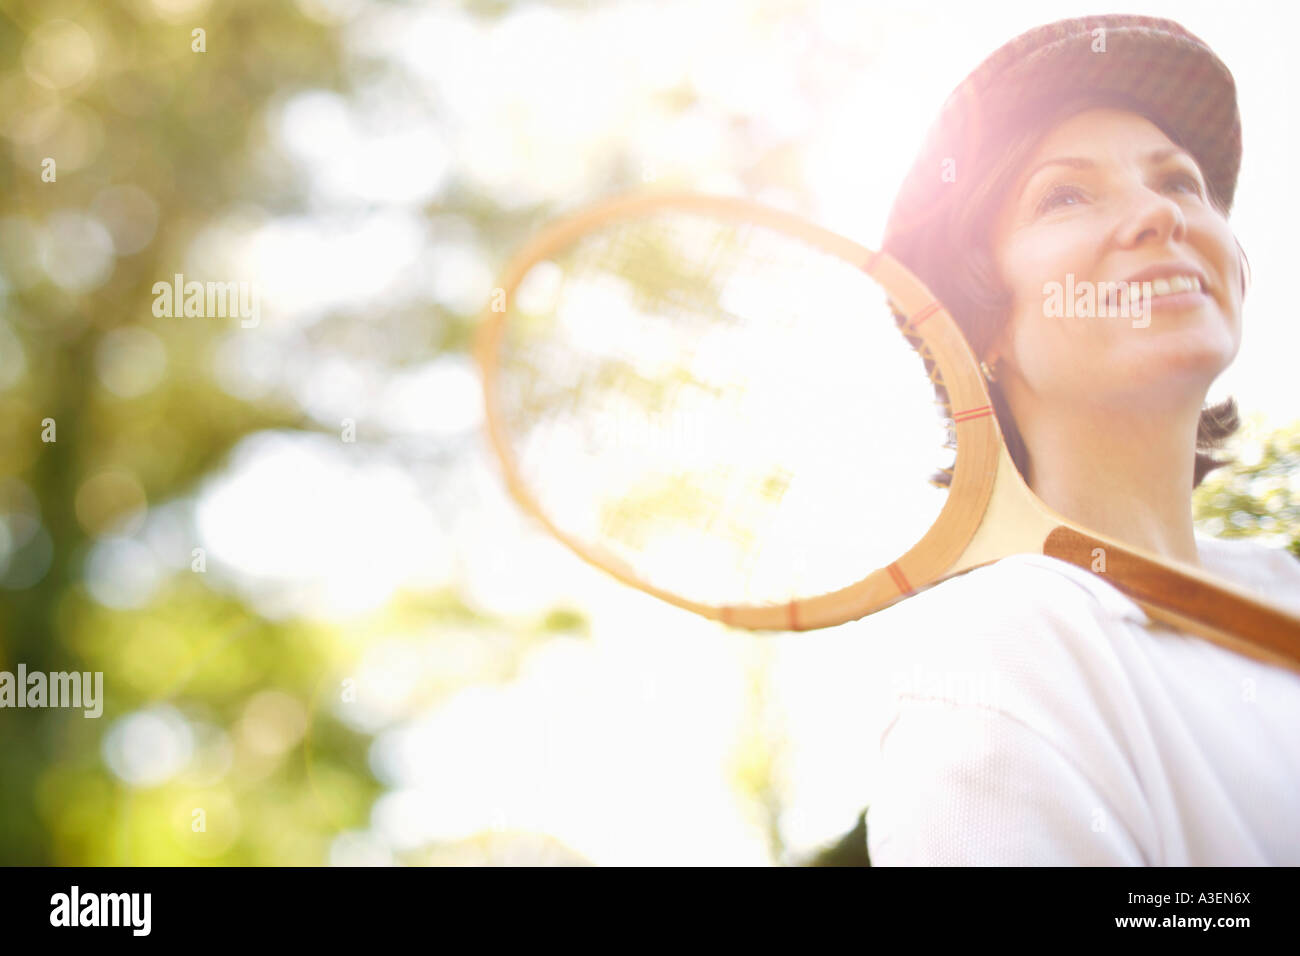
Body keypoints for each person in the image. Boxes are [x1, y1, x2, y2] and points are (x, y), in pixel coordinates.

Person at [862, 14, 1300, 865]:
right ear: (975, 329)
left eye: (1179, 182)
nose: (1157, 214)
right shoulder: (994, 662)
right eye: (1064, 194)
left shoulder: (1281, 587)